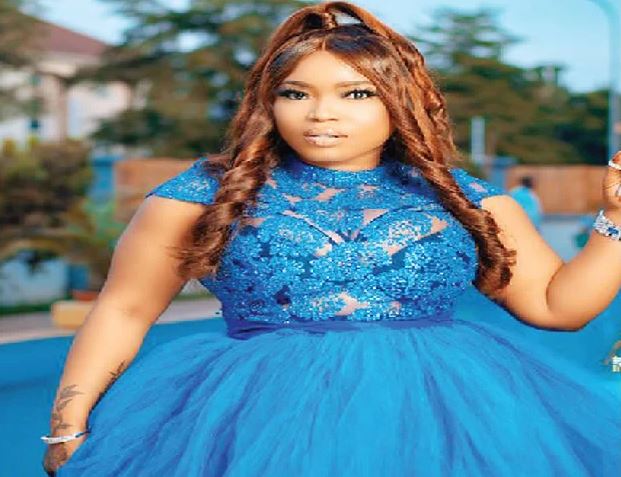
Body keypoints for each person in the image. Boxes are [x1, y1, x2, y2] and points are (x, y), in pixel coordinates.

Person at [43, 2, 621, 476]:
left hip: (446, 417)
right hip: (259, 421)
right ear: (268, 102)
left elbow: (557, 307)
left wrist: (616, 217)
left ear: (401, 102)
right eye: (296, 93)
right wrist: (66, 424)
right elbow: (124, 308)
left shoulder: (464, 198)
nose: (321, 114)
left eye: (356, 93)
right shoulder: (201, 194)